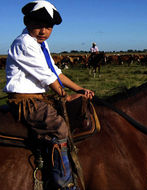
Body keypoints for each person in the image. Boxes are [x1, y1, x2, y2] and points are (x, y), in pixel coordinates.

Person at [3, 1, 94, 189]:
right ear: (28, 23)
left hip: (38, 97)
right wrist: (65, 96)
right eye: (38, 25)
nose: (43, 31)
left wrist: (78, 89)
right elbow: (46, 77)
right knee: (59, 127)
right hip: (26, 100)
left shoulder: (41, 45)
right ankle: (64, 183)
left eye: (49, 27)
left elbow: (55, 71)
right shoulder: (24, 43)